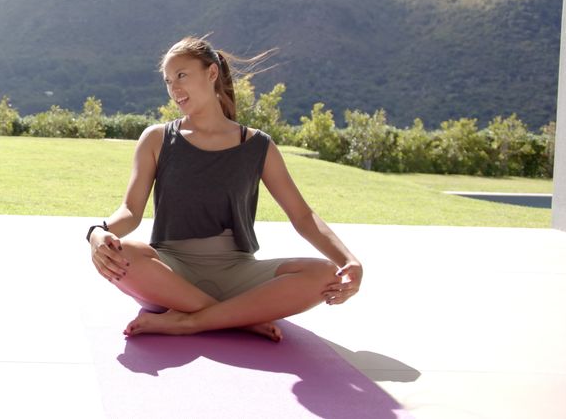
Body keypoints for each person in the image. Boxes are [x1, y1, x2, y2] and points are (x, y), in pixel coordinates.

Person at [87, 35, 363, 340]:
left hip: (238, 273)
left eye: (182, 75)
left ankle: (192, 321)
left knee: (324, 274)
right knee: (123, 253)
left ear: (212, 73)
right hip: (172, 273)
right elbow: (130, 210)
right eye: (168, 80)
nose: (174, 89)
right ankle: (240, 318)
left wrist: (348, 261)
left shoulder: (258, 145)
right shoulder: (156, 138)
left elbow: (302, 216)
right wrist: (98, 233)